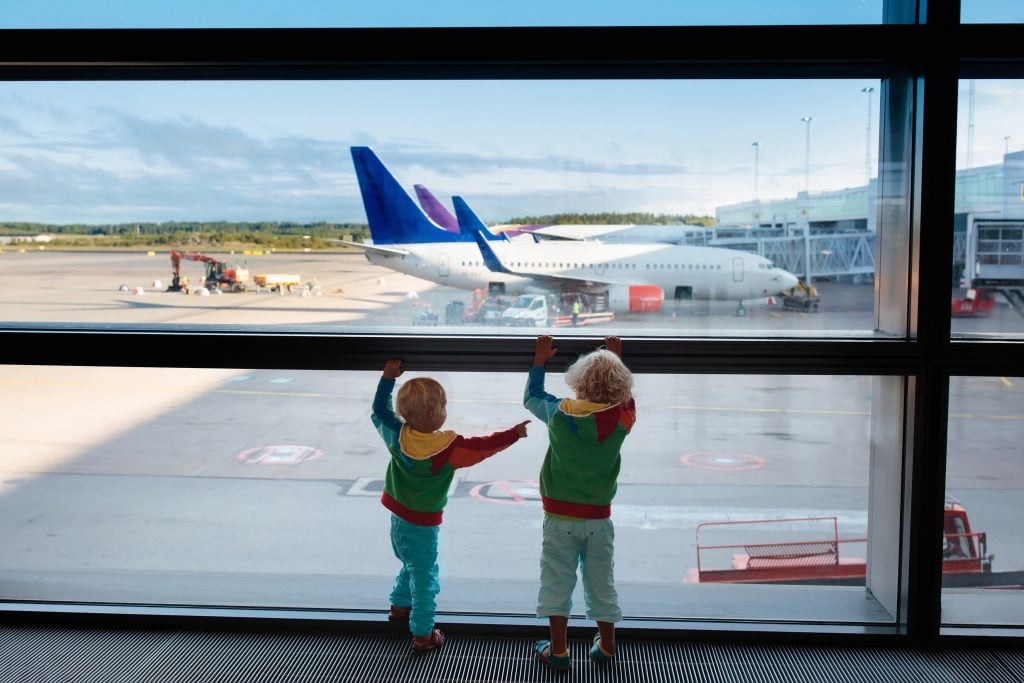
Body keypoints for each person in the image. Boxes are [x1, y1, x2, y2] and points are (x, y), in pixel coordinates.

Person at [371, 358, 529, 654]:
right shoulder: (449, 450)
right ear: (433, 414)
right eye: (443, 407)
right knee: (425, 576)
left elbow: (379, 410)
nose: (445, 411)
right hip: (423, 525)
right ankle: (422, 633)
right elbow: (482, 447)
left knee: (410, 564)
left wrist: (388, 378)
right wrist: (514, 434)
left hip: (398, 518)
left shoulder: (395, 435)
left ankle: (398, 607)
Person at [524, 335, 635, 671]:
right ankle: (608, 644)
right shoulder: (621, 419)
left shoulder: (559, 414)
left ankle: (558, 651)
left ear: (577, 383)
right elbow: (627, 400)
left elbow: (531, 397)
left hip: (558, 516)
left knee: (557, 581)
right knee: (601, 579)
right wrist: (614, 357)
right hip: (599, 519)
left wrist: (540, 360)